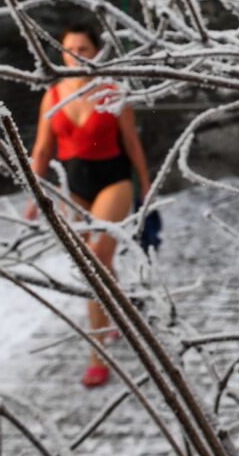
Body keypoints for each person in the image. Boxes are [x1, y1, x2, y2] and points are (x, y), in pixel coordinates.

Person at [25, 22, 151, 388]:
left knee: (97, 258)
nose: (75, 55)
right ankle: (111, 314)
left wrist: (146, 186)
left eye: (83, 48)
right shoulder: (53, 96)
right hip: (73, 188)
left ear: (96, 53)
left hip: (113, 181)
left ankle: (98, 357)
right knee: (93, 264)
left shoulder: (112, 92)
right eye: (68, 49)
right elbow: (43, 150)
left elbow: (132, 143)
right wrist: (35, 193)